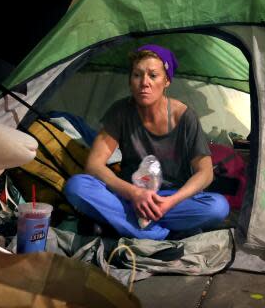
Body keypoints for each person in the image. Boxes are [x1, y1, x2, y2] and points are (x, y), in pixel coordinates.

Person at [64, 44, 229, 240]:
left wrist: (170, 202)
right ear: (130, 80)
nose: (144, 82)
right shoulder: (121, 111)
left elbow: (206, 173)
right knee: (77, 187)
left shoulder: (184, 116)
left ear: (167, 80)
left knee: (218, 207)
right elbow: (94, 164)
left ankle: (132, 227)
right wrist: (135, 194)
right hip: (131, 198)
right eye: (137, 75)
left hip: (170, 201)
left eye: (153, 75)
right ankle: (159, 234)